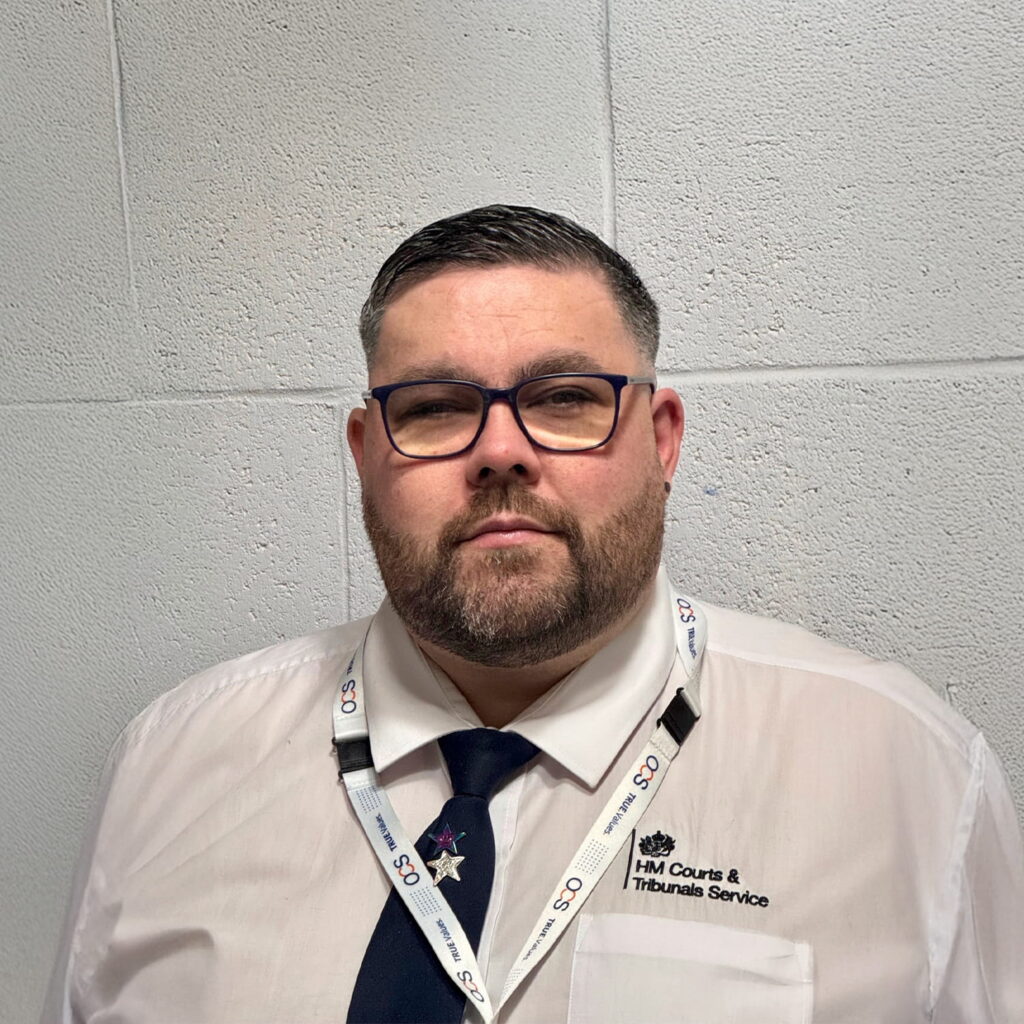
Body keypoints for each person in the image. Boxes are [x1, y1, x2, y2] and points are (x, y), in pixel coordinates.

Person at [44, 205, 1023, 1023]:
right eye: (432, 406)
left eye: (563, 398)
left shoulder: (909, 779)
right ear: (362, 451)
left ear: (660, 437)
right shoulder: (168, 766)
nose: (501, 451)